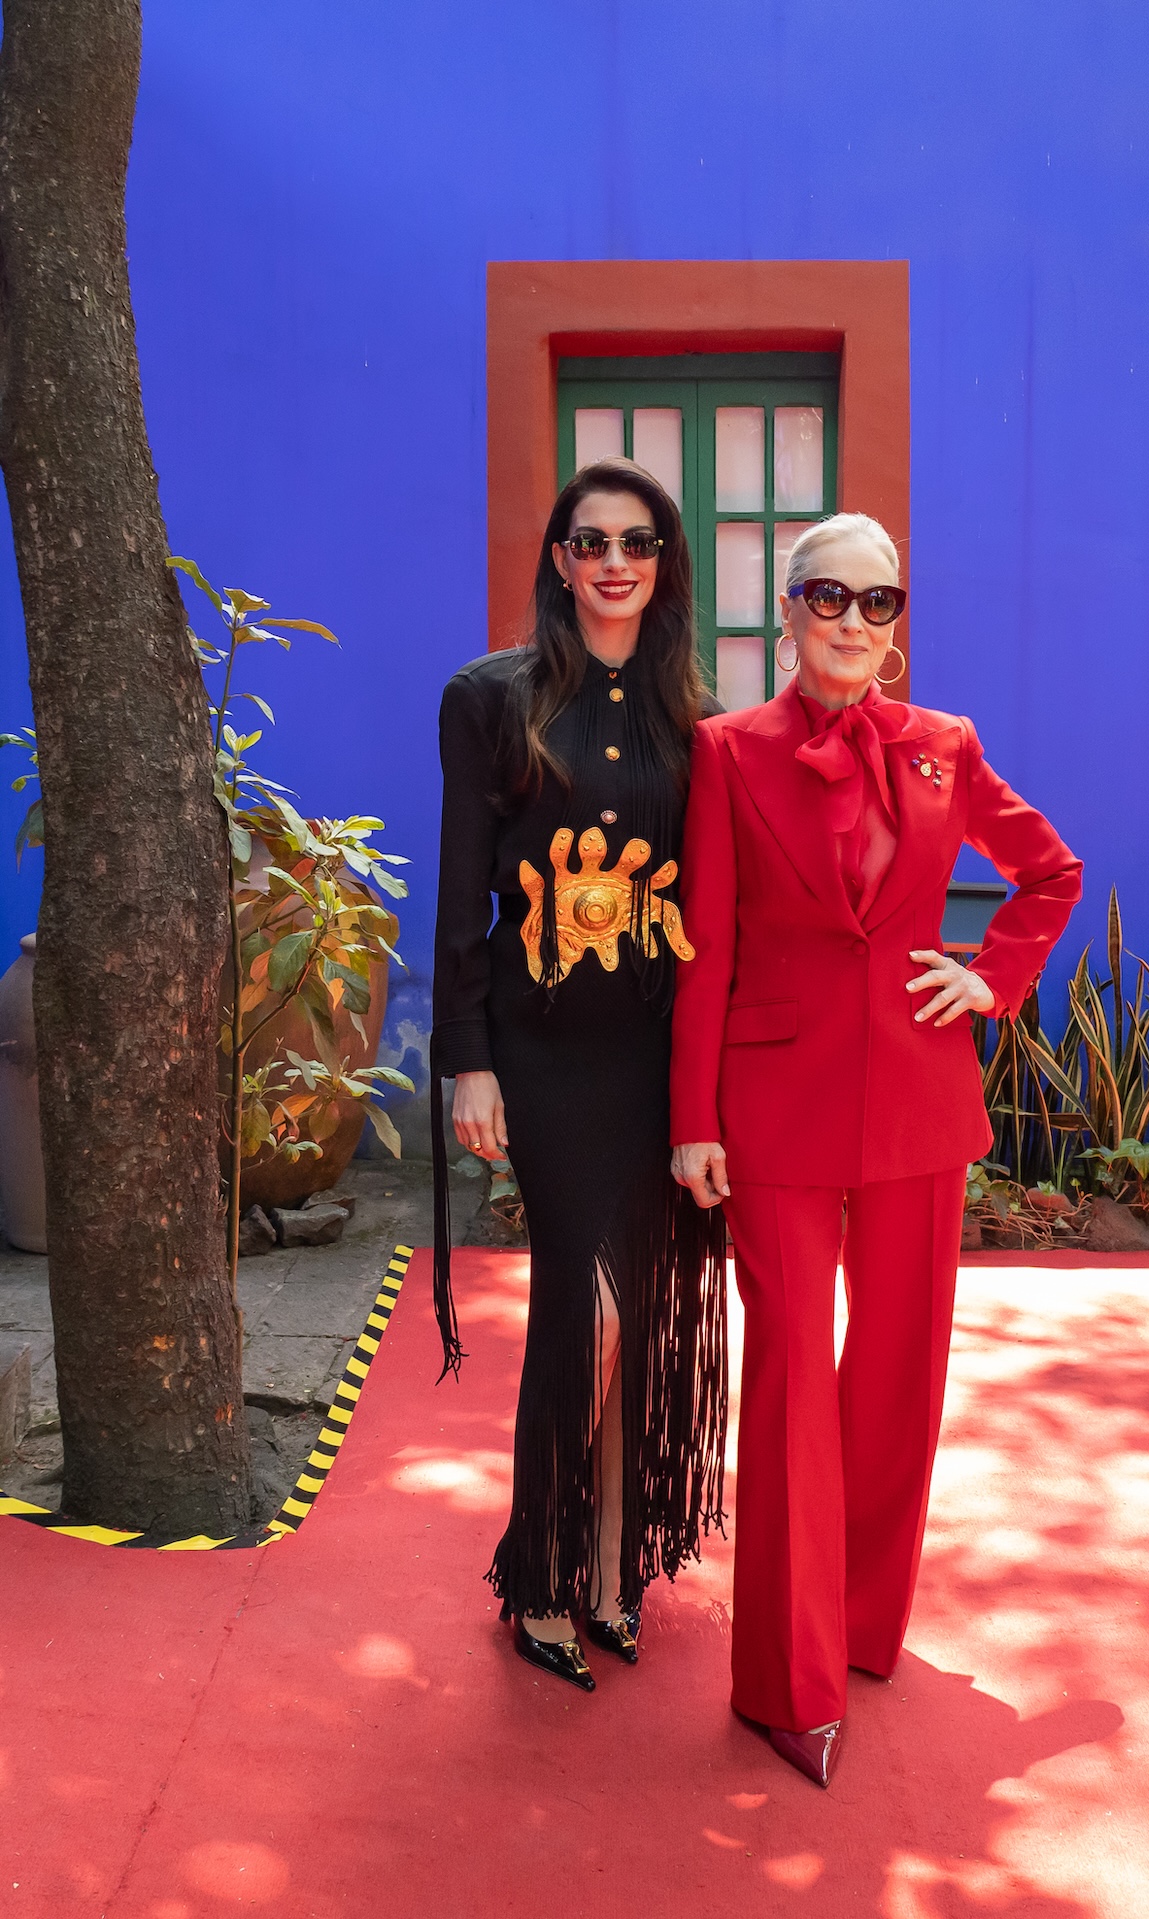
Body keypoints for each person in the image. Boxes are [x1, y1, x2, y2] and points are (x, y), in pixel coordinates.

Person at [670, 512, 1082, 1784]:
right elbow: (707, 951)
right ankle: (783, 1683)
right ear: (785, 608)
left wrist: (991, 981)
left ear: (898, 624)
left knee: (896, 1368)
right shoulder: (727, 753)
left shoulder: (943, 748)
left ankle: (856, 1624)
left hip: (915, 1101)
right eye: (828, 594)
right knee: (791, 1373)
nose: (854, 619)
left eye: (879, 600)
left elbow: (1048, 874)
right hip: (773, 1106)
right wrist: (691, 1118)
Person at [431, 458, 727, 1693]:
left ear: (663, 566)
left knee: (642, 1312)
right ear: (557, 558)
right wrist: (468, 1061)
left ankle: (611, 1565)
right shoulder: (489, 699)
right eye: (589, 540)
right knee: (585, 1311)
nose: (614, 561)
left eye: (638, 542)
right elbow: (461, 892)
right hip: (544, 1061)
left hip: (654, 1057)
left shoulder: (688, 716)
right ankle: (539, 1569)